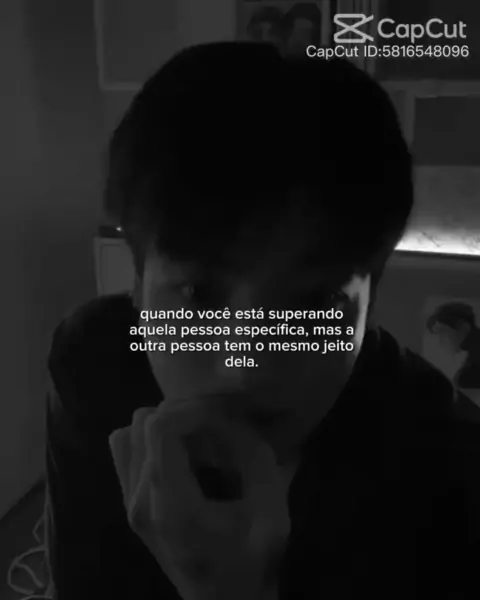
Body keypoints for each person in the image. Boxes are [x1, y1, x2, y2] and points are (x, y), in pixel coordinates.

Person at [45, 42, 480, 599]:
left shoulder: (448, 465)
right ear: (137, 281)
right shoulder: (93, 365)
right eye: (200, 295)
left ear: (371, 301)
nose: (246, 363)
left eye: (311, 303)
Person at [427, 301, 480, 389]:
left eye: (444, 333)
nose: (441, 341)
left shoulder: (470, 371)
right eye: (438, 335)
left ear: (463, 328)